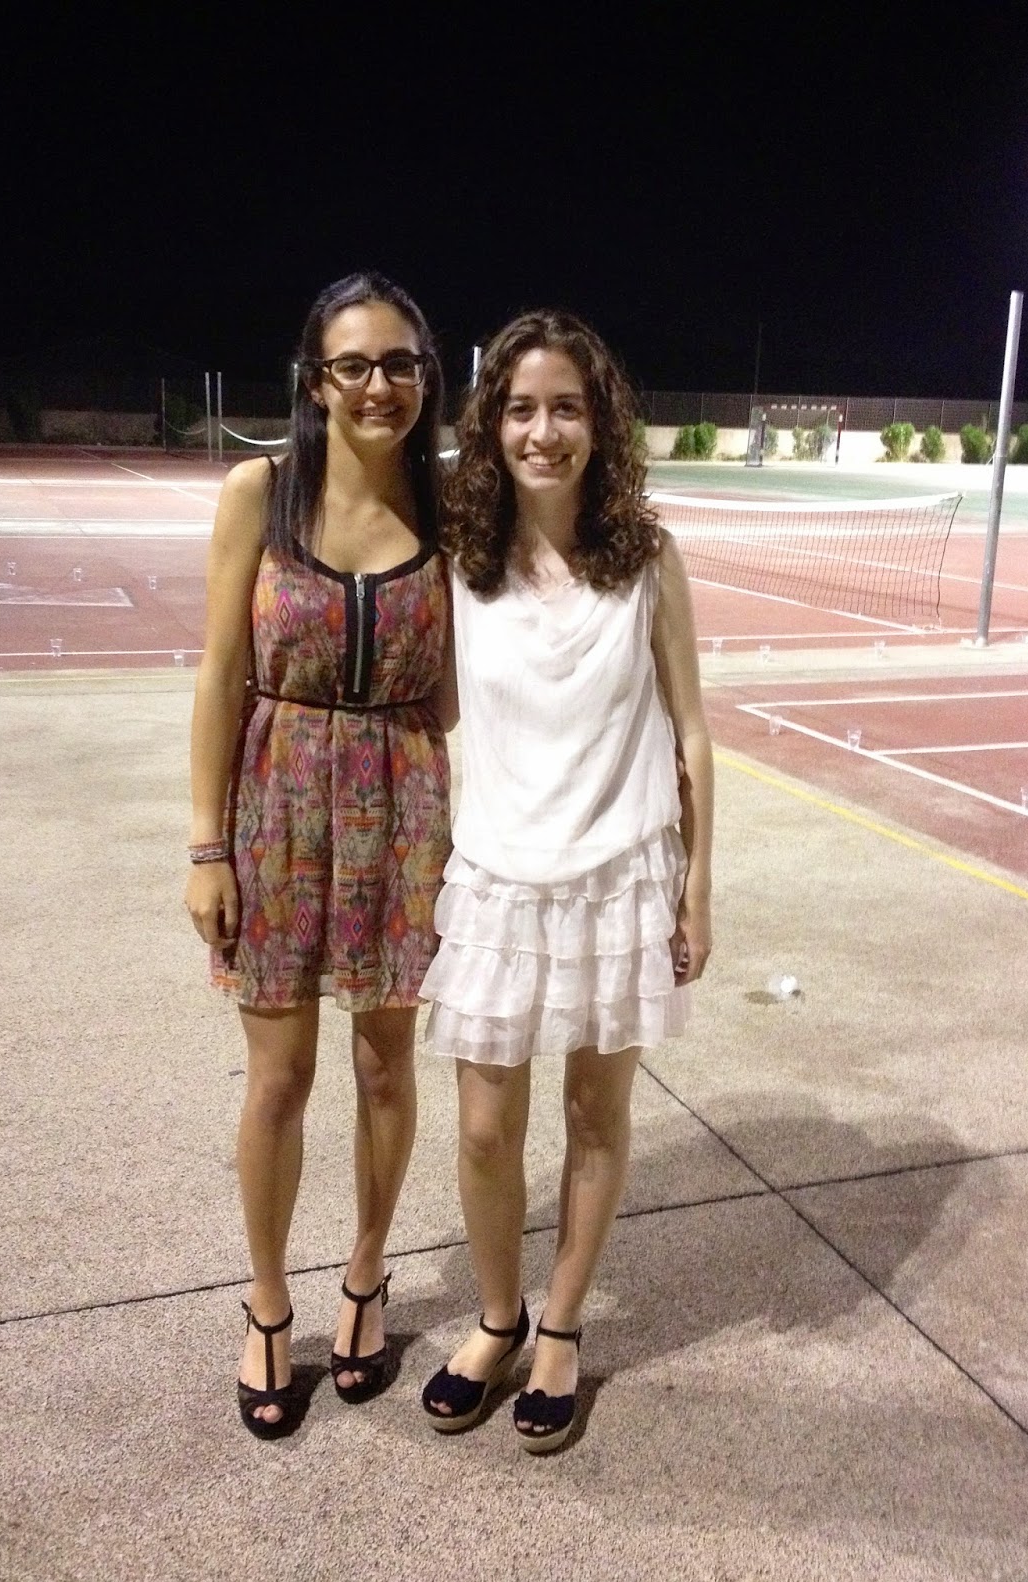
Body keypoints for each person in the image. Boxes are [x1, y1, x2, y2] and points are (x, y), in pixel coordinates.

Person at [419, 310, 713, 1453]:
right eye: (522, 409)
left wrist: (697, 886)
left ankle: (562, 1325)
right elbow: (435, 711)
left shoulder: (647, 558)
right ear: (491, 425)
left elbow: (692, 730)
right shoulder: (461, 559)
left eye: (567, 408)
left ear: (602, 422)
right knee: (486, 1126)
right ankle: (498, 1315)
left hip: (620, 872)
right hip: (498, 875)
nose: (544, 432)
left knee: (596, 1112)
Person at [185, 272, 453, 1438]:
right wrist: (208, 846)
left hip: (405, 803)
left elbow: (461, 690)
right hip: (278, 801)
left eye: (400, 362)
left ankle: (366, 1274)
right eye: (355, 364)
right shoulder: (262, 493)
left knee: (388, 1067)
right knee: (280, 1076)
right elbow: (217, 675)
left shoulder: (449, 509)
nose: (379, 384)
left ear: (425, 378)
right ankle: (266, 1301)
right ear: (315, 380)